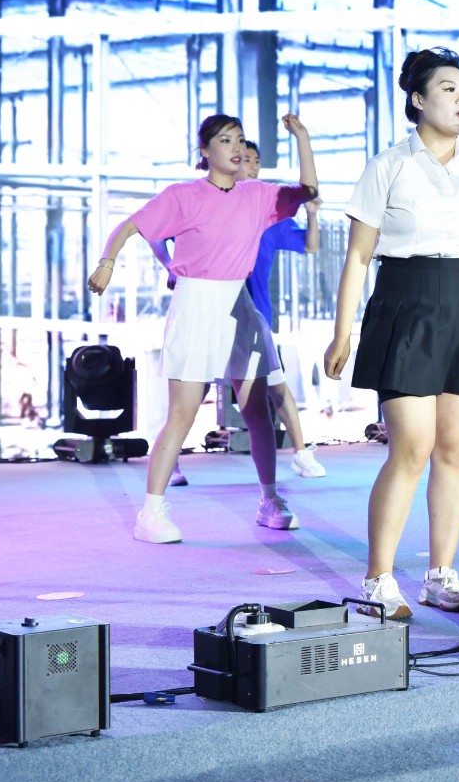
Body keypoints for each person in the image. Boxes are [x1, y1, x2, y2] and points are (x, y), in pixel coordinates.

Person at [323, 47, 459, 620]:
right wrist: (343, 332)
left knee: (455, 449)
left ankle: (441, 575)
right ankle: (378, 579)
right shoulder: (389, 164)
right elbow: (358, 257)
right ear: (417, 99)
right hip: (406, 300)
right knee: (411, 447)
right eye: (448, 88)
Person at [88, 112, 317, 543]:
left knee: (257, 412)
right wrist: (107, 262)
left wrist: (301, 137)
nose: (236, 148)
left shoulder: (257, 195)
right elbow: (130, 226)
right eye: (225, 140)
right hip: (195, 304)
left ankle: (270, 499)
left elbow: (308, 191)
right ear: (205, 151)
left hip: (239, 305)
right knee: (183, 413)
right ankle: (150, 513)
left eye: (240, 140)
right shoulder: (183, 195)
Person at [162, 139, 327, 487]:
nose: (250, 165)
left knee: (276, 390)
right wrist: (170, 267)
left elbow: (310, 245)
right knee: (194, 393)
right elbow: (155, 233)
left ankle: (300, 453)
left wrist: (312, 214)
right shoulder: (204, 207)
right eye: (244, 158)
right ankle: (170, 461)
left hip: (254, 318)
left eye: (255, 160)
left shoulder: (268, 215)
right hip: (209, 316)